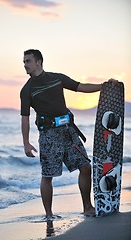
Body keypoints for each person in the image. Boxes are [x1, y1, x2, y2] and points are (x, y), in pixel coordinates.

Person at [20, 49, 118, 219]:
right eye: (24, 62)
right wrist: (26, 143)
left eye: (28, 61)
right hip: (49, 136)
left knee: (85, 167)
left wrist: (103, 86)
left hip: (68, 132)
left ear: (38, 62)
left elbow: (80, 87)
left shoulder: (57, 78)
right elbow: (25, 118)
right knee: (48, 175)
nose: (25, 65)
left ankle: (88, 207)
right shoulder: (27, 90)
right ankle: (49, 215)